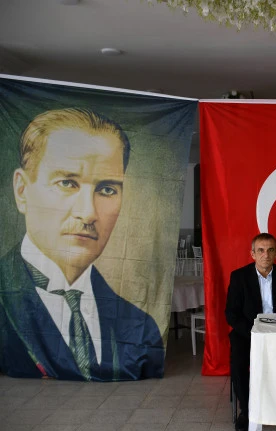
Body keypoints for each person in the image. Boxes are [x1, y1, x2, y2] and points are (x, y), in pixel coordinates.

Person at [0, 108, 164, 381]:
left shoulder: (142, 327)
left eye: (107, 189)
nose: (88, 213)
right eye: (67, 183)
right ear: (22, 191)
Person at [225, 233, 276, 431]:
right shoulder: (239, 277)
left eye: (270, 250)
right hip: (248, 333)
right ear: (252, 254)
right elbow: (231, 314)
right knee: (239, 361)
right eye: (260, 250)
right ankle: (247, 410)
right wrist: (254, 332)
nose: (265, 255)